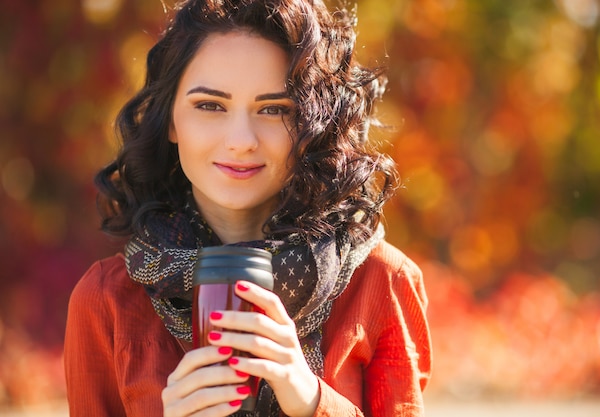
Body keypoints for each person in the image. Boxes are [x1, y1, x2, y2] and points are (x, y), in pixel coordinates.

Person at [64, 0, 432, 415]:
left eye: (274, 109)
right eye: (210, 105)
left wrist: (313, 402)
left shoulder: (381, 281)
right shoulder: (106, 300)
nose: (241, 140)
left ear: (312, 124)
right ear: (169, 119)